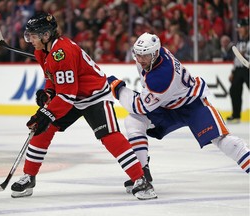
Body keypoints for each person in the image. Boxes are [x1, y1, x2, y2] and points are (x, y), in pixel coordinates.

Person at [10, 12, 157, 200]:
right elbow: (53, 79)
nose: (29, 39)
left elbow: (67, 95)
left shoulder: (61, 53)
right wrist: (48, 93)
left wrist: (47, 113)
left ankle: (141, 180)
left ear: (46, 35)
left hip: (94, 96)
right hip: (71, 96)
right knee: (41, 129)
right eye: (28, 34)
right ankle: (29, 176)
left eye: (32, 35)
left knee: (110, 136)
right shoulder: (42, 51)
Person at [107, 32, 250, 193]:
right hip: (166, 106)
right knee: (133, 121)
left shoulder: (161, 76)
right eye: (138, 54)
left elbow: (138, 106)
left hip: (192, 105)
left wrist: (117, 88)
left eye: (144, 56)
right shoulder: (152, 56)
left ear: (155, 53)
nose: (140, 59)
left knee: (223, 140)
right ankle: (142, 173)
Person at [227, 18, 250, 123]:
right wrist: (233, 71)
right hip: (239, 69)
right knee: (234, 90)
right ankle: (236, 115)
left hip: (248, 69)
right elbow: (237, 58)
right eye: (239, 28)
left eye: (241, 27)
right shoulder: (239, 41)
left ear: (247, 27)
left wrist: (245, 55)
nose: (239, 30)